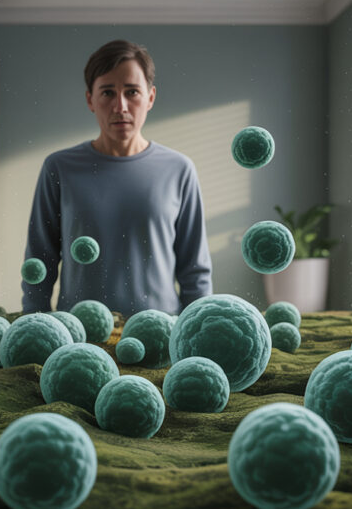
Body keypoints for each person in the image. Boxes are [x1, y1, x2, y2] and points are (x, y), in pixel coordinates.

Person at [21, 40, 212, 316]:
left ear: (150, 97)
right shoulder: (58, 168)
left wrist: (198, 330)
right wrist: (34, 326)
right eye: (108, 92)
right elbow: (39, 260)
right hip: (80, 336)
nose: (120, 106)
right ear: (90, 99)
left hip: (160, 335)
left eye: (132, 92)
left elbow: (195, 270)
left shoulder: (180, 169)